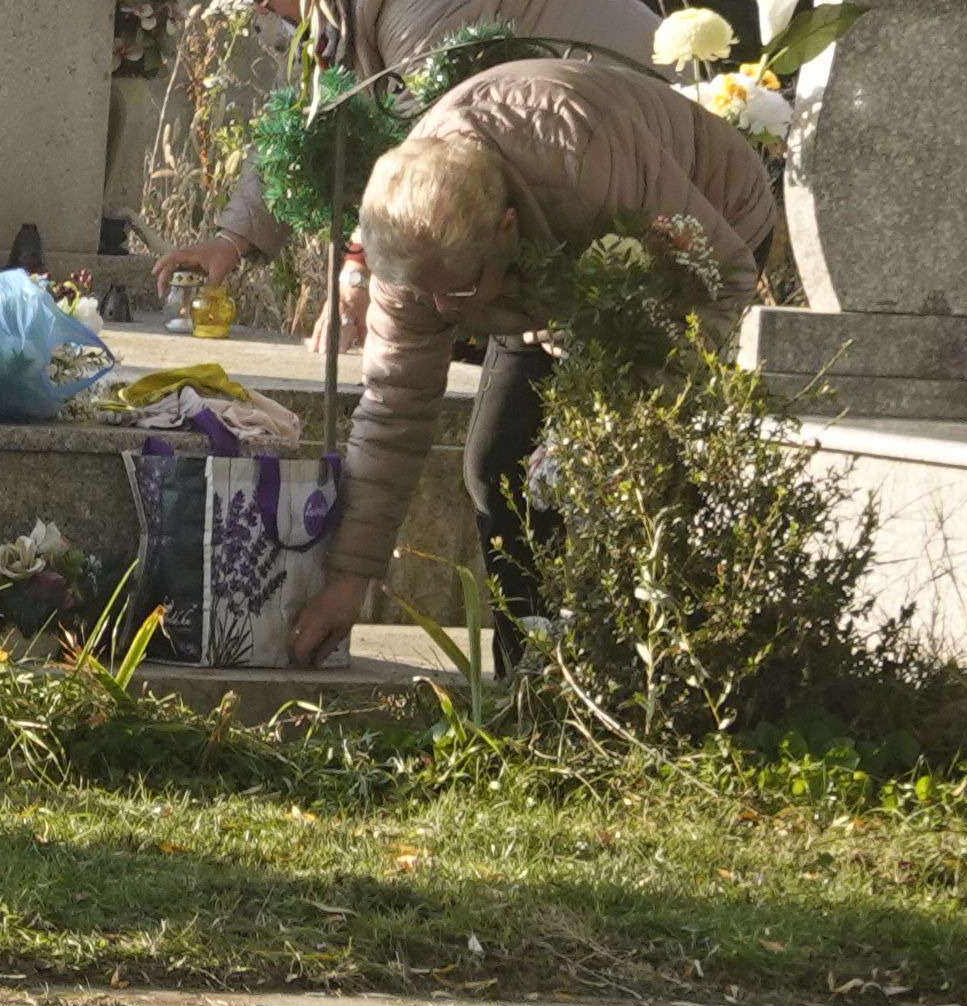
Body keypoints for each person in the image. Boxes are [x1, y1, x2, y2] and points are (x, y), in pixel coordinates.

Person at [293, 48, 780, 666]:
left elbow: (723, 278)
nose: (442, 311)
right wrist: (347, 582)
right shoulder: (415, 243)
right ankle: (527, 680)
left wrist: (625, 406)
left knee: (629, 471)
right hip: (532, 267)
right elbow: (394, 407)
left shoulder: (586, 162)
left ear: (505, 230)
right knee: (496, 463)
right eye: (427, 298)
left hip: (693, 239)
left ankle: (656, 666)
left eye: (456, 297)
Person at [144, 0, 653, 294]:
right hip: (566, 138)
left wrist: (363, 266)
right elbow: (302, 115)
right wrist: (231, 240)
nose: (264, 12)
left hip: (637, 121)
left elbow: (429, 136)